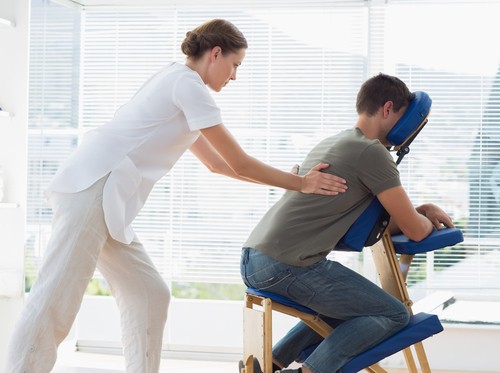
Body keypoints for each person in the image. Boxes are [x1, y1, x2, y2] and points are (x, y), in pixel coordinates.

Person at [4, 19, 347, 373]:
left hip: (109, 200)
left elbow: (218, 164)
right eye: (235, 65)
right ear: (215, 54)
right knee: (55, 299)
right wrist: (301, 184)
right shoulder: (187, 85)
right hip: (94, 188)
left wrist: (286, 180)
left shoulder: (179, 84)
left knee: (149, 293)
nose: (234, 77)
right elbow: (239, 162)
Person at [240, 73, 455, 373]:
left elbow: (371, 221)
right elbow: (416, 230)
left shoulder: (337, 141)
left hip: (256, 258)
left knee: (359, 306)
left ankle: (268, 364)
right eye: (404, 117)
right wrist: (429, 213)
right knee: (393, 314)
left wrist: (419, 209)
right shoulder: (373, 152)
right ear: (388, 109)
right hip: (287, 264)